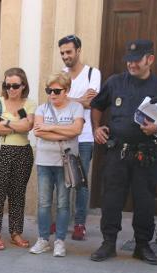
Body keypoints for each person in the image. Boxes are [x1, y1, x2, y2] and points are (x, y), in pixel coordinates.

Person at [89, 39, 157, 265]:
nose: (131, 64)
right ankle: (108, 243)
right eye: (128, 60)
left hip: (146, 154)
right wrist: (97, 128)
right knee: (111, 199)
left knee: (145, 201)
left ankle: (142, 245)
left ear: (150, 59)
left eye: (136, 60)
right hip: (117, 152)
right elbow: (97, 106)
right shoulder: (115, 82)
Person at [30, 72, 84, 257]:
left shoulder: (76, 107)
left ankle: (60, 241)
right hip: (44, 161)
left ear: (66, 90)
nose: (52, 94)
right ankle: (43, 239)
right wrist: (64, 132)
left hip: (65, 163)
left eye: (56, 91)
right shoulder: (41, 109)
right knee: (44, 202)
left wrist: (50, 127)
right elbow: (39, 132)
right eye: (49, 90)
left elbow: (76, 130)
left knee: (63, 203)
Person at [0, 67, 36, 250]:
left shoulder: (28, 104)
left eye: (15, 85)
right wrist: (17, 125)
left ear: (23, 85)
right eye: (7, 85)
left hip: (22, 153)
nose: (11, 89)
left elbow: (28, 126)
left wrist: (6, 122)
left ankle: (16, 232)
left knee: (17, 194)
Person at [59, 34, 101, 240]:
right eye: (62, 53)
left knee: (81, 182)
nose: (65, 56)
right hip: (63, 135)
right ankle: (62, 220)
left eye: (68, 52)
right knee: (64, 181)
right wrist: (77, 100)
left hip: (84, 137)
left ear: (78, 51)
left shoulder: (93, 73)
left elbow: (92, 102)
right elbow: (56, 101)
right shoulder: (61, 74)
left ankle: (80, 224)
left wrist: (67, 99)